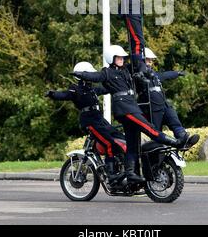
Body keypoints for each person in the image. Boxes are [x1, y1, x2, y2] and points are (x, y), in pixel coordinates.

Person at [73, 45, 183, 184]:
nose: (121, 59)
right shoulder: (107, 72)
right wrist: (81, 74)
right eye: (118, 57)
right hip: (125, 109)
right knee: (149, 128)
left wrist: (141, 57)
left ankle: (131, 174)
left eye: (122, 57)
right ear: (111, 58)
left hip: (131, 106)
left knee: (132, 143)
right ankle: (174, 142)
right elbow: (95, 76)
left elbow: (141, 64)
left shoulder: (126, 70)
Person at [45, 62, 126, 183]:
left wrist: (119, 83)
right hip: (89, 121)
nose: (91, 76)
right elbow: (65, 94)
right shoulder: (75, 89)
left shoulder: (92, 88)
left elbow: (106, 89)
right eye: (88, 73)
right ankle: (112, 174)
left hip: (100, 120)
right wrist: (53, 94)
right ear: (82, 75)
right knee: (109, 143)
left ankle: (123, 168)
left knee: (121, 138)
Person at [135, 48, 200, 149]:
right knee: (157, 134)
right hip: (151, 108)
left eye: (151, 60)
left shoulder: (154, 75)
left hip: (163, 106)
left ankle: (184, 139)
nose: (150, 62)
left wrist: (177, 73)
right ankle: (158, 153)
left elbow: (165, 75)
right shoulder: (137, 75)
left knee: (173, 118)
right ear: (142, 61)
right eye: (148, 60)